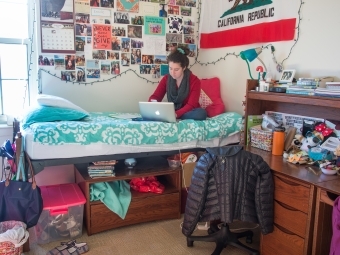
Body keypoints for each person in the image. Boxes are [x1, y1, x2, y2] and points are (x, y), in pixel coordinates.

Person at [148, 46, 206, 120]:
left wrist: (176, 114)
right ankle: (170, 115)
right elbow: (156, 96)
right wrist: (152, 103)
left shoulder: (195, 81)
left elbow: (191, 105)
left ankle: (172, 116)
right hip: (172, 111)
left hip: (188, 111)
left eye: (176, 69)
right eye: (170, 68)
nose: (172, 73)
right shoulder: (166, 78)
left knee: (201, 113)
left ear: (184, 67)